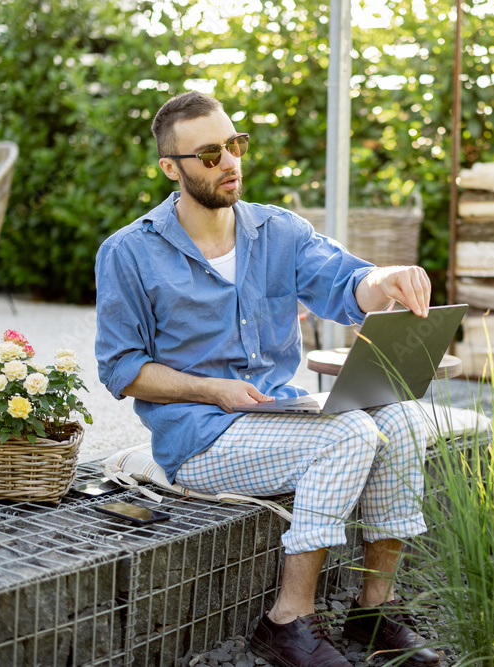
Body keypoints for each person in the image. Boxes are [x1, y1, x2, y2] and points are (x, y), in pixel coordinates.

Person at [95, 91, 440, 667]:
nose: (229, 162)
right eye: (208, 154)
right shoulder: (129, 253)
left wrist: (386, 279)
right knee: (350, 433)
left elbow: (347, 283)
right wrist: (211, 388)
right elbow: (121, 368)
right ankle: (287, 620)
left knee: (404, 414)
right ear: (170, 168)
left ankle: (373, 609)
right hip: (202, 435)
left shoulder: (280, 232)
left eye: (234, 144)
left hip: (277, 413)